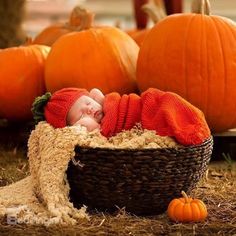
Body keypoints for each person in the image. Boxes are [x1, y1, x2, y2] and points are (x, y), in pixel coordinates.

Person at [32, 87, 211, 146]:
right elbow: (95, 133)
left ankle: (191, 124)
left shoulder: (104, 102)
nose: (89, 110)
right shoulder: (95, 129)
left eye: (87, 103)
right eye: (81, 115)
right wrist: (86, 124)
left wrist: (99, 100)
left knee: (165, 102)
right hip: (133, 121)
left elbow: (99, 94)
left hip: (140, 106)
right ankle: (189, 128)